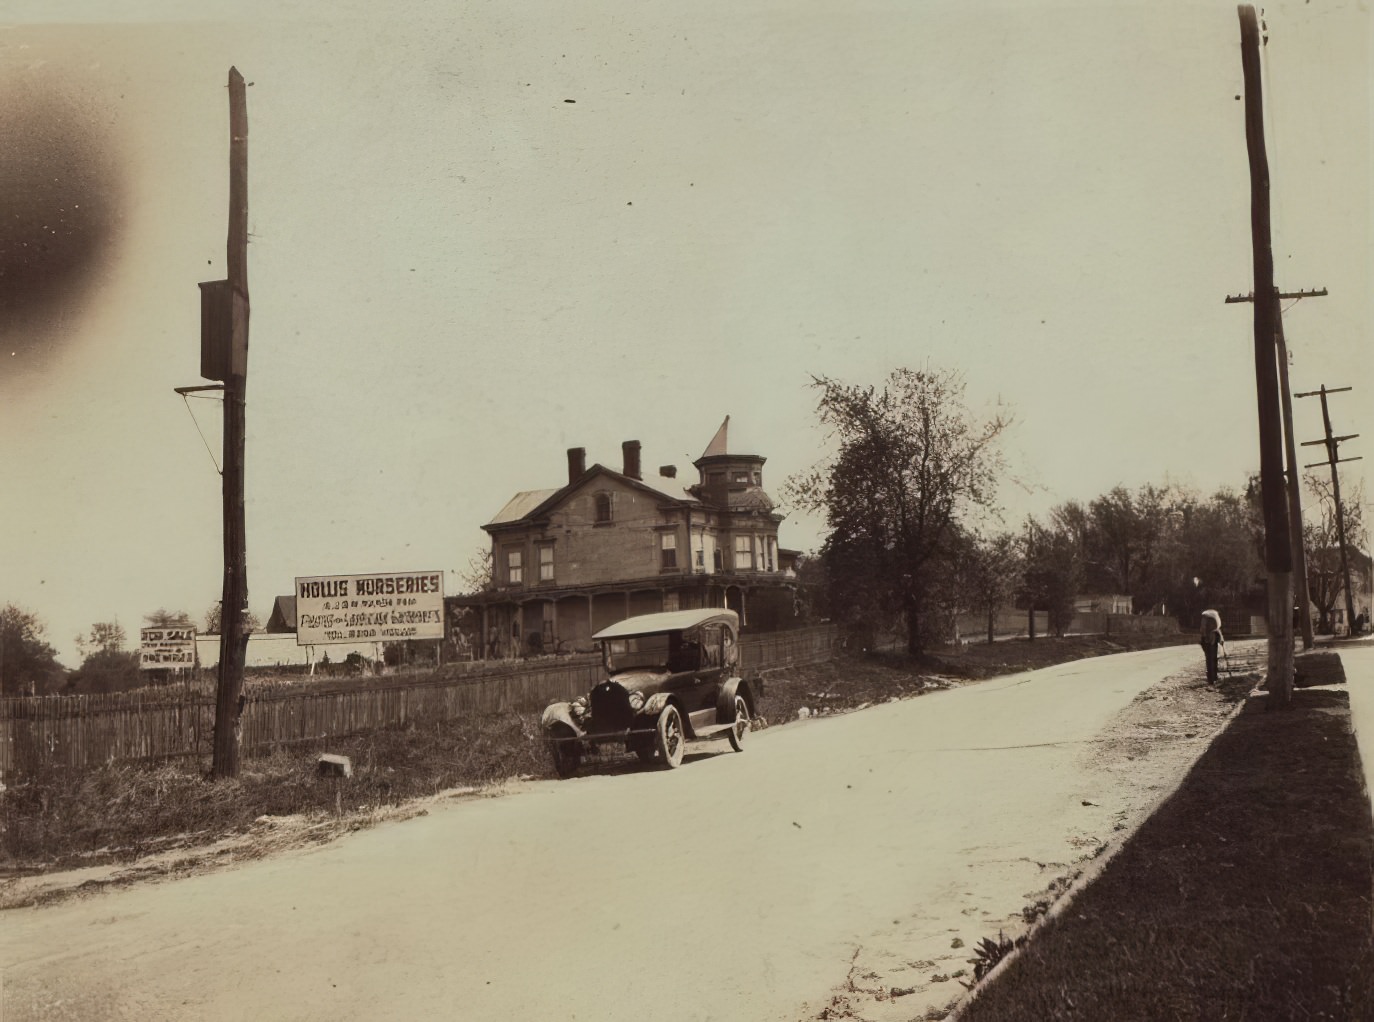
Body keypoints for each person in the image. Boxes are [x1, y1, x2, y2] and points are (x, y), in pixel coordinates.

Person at [1200, 609, 1224, 683]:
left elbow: (1203, 630)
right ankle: (1212, 678)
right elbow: (1204, 630)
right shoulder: (1210, 620)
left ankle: (1212, 678)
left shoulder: (1207, 619)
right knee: (1212, 659)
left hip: (1209, 641)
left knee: (1211, 660)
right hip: (1210, 641)